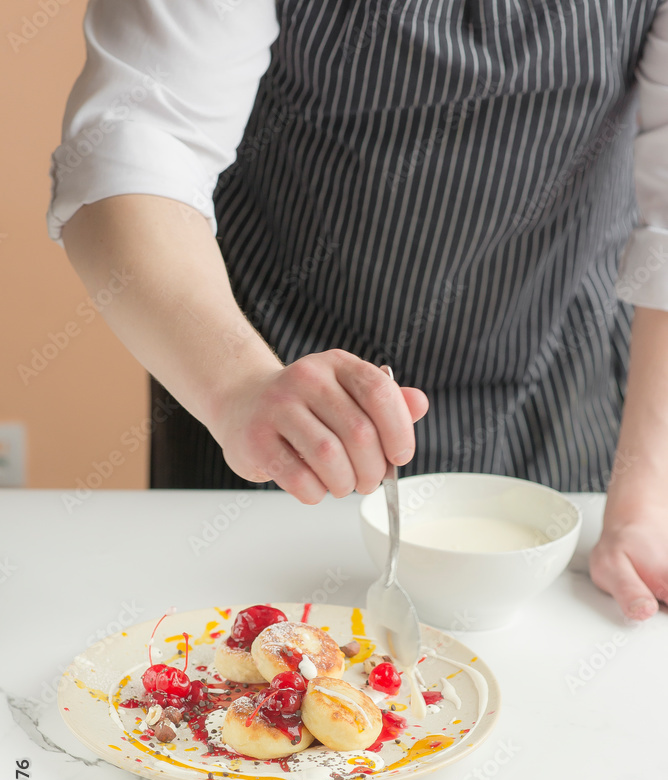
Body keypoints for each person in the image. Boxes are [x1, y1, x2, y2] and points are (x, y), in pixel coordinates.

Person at [47, 0, 668, 622]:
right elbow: (137, 143)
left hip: (561, 380)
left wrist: (646, 501)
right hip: (276, 394)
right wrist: (236, 384)